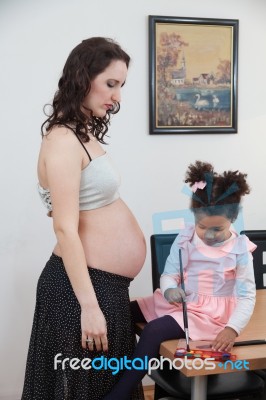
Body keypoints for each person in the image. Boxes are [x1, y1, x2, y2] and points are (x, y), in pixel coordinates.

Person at [21, 37, 146, 400]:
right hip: (81, 292)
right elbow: (63, 226)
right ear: (82, 78)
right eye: (111, 84)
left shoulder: (82, 132)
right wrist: (90, 307)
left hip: (104, 288)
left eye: (121, 86)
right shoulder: (62, 139)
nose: (117, 97)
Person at [103, 160, 257, 399]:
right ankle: (107, 378)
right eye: (202, 226)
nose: (208, 234)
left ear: (233, 217)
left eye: (217, 229)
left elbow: (248, 296)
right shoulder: (186, 237)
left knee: (153, 331)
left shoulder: (239, 251)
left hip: (210, 316)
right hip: (180, 303)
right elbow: (169, 274)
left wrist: (232, 329)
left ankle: (119, 394)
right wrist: (169, 290)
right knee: (121, 312)